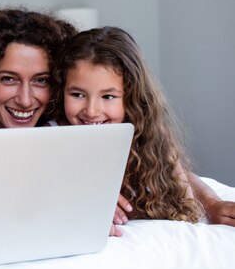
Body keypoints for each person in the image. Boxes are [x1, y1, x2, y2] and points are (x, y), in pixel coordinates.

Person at [50, 26, 234, 225]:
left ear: (131, 97)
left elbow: (180, 178)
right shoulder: (50, 137)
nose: (91, 110)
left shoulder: (147, 136)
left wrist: (212, 204)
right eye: (77, 94)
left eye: (108, 96)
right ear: (62, 90)